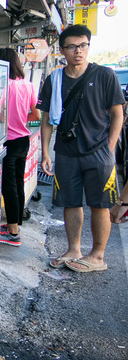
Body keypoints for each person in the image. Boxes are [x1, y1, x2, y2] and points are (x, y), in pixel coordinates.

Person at [39, 24, 125, 272]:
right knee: (70, 203)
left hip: (98, 151)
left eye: (83, 45)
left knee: (100, 205)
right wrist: (45, 152)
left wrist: (109, 148)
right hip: (66, 152)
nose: (78, 51)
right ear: (62, 50)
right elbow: (47, 119)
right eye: (72, 47)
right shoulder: (54, 79)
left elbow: (117, 114)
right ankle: (74, 250)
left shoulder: (104, 75)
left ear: (88, 46)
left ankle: (97, 256)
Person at [0, 48, 40, 245]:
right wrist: (20, 120)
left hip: (9, 141)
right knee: (18, 184)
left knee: (9, 187)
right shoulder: (28, 85)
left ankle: (13, 233)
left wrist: (6, 120)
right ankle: (15, 225)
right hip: (23, 140)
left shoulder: (5, 87)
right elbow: (36, 115)